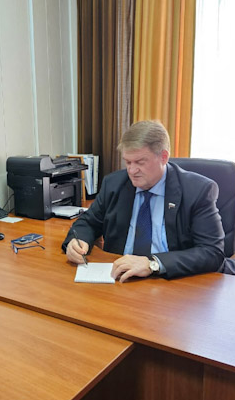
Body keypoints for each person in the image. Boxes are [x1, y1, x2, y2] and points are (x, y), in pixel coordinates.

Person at [63, 120, 226, 281]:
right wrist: (77, 241)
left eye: (140, 162)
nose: (132, 170)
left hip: (172, 282)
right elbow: (88, 222)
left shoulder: (197, 191)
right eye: (128, 162)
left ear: (164, 157)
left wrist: (153, 264)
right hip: (121, 279)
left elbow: (211, 252)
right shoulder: (114, 184)